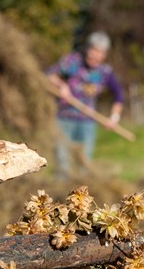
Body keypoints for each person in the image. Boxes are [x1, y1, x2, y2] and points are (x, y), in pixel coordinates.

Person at [46, 31, 124, 179]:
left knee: (83, 165)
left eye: (100, 52)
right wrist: (62, 85)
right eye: (93, 50)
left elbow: (118, 94)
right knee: (63, 163)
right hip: (64, 120)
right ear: (87, 49)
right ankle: (59, 199)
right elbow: (48, 74)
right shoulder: (71, 61)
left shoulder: (104, 72)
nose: (95, 56)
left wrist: (114, 117)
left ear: (105, 55)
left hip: (87, 124)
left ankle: (79, 200)